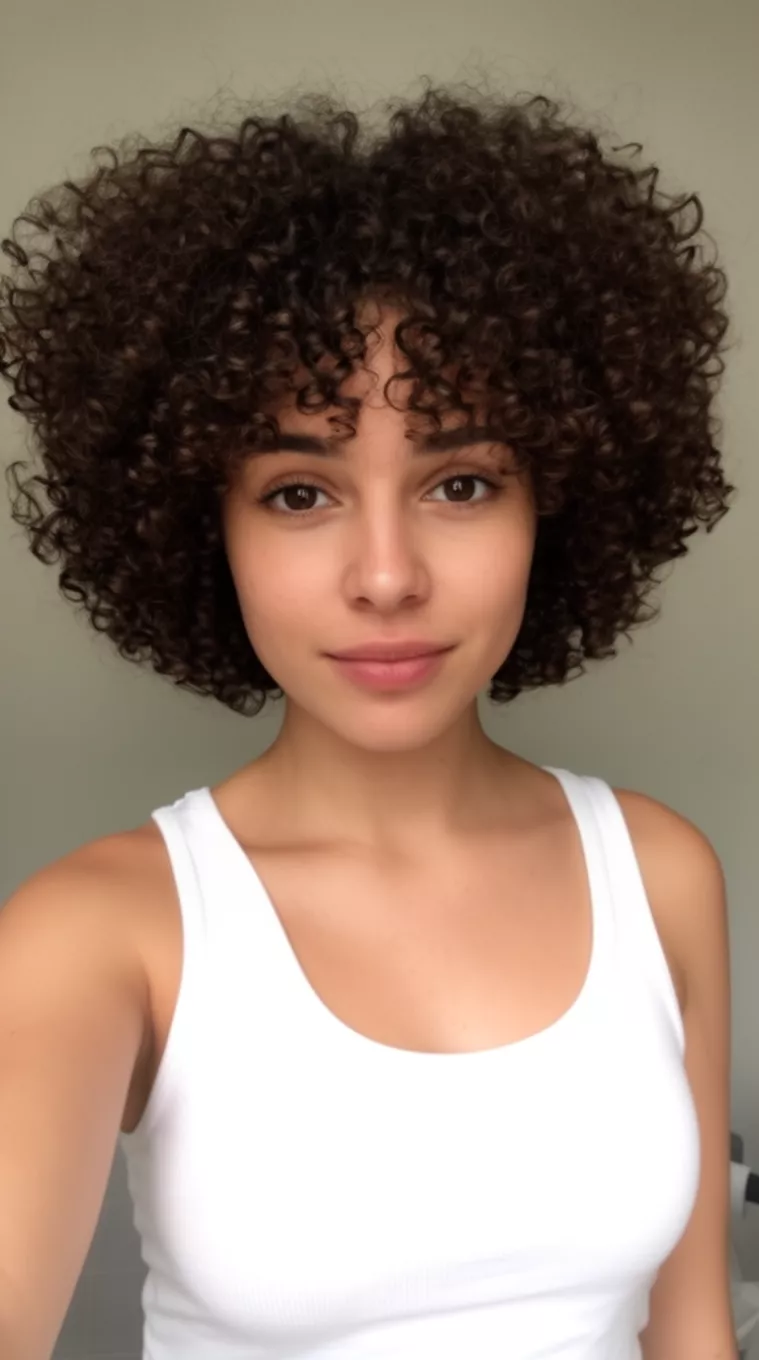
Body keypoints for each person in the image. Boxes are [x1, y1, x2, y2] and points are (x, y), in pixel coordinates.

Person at [0, 82, 738, 1360]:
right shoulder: (101, 933)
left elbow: (690, 1334)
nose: (387, 574)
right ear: (199, 525)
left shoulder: (660, 870)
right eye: (299, 492)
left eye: (460, 481)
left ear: (554, 501)